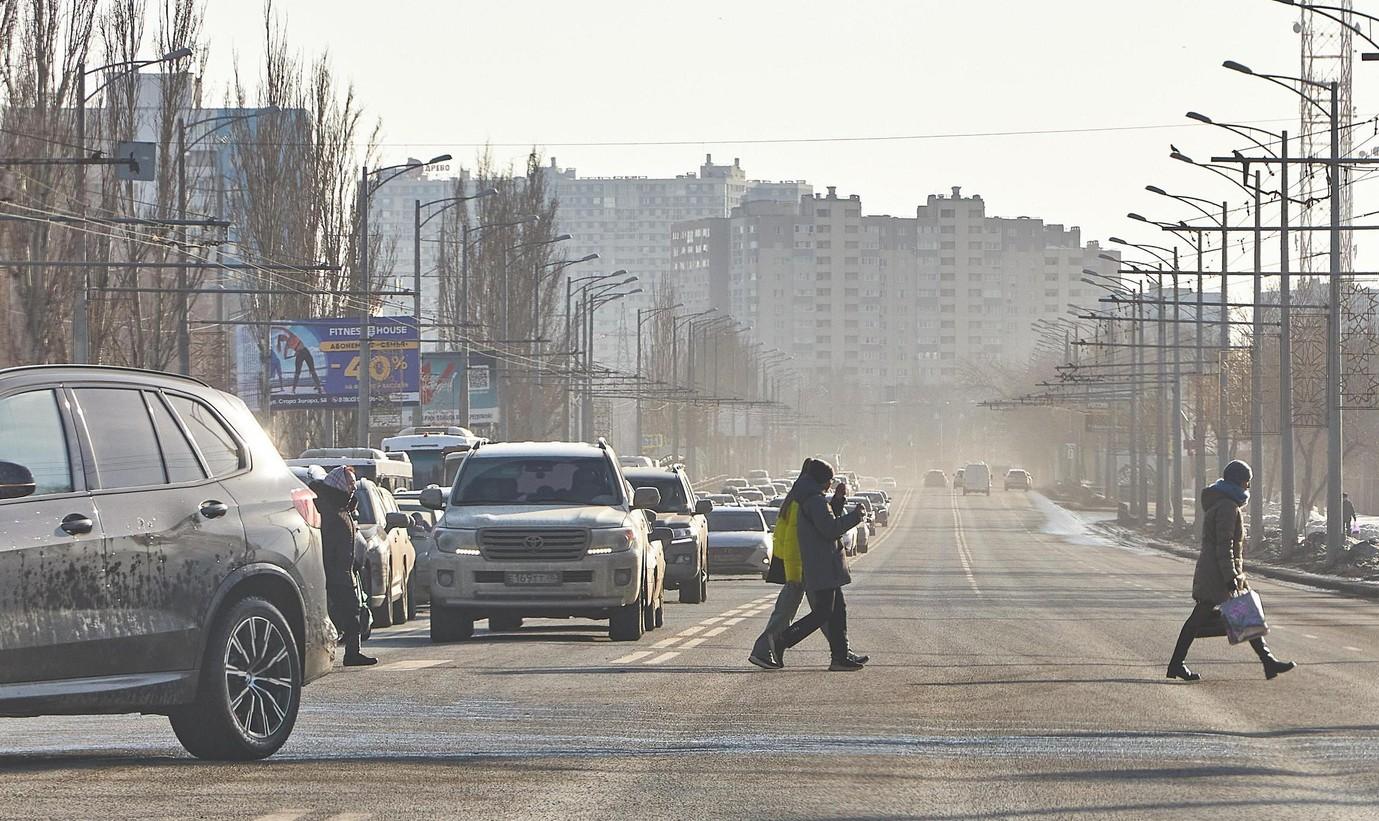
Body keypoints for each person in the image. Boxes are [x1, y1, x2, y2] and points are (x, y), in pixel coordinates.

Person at [1167, 460, 1295, 682]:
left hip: (1216, 570)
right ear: (1239, 481)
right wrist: (1230, 577)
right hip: (1217, 573)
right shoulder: (1228, 506)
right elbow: (1224, 545)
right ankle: (1176, 664)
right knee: (1203, 618)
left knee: (1244, 613)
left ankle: (1268, 662)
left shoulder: (1223, 503)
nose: (1248, 486)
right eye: (1247, 481)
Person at [749, 460, 869, 671]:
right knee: (820, 613)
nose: (831, 484)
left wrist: (838, 502)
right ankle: (778, 642)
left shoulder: (805, 496)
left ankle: (840, 655)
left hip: (819, 565)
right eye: (830, 480)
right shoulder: (812, 500)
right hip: (815, 565)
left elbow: (822, 521)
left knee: (834, 611)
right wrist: (855, 517)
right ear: (822, 480)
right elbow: (828, 528)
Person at [311, 465, 376, 667]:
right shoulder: (329, 509)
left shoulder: (343, 507)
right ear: (339, 483)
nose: (353, 487)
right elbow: (327, 545)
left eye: (353, 483)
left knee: (352, 614)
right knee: (346, 615)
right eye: (349, 483)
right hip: (333, 573)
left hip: (345, 572)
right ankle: (345, 654)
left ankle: (351, 653)